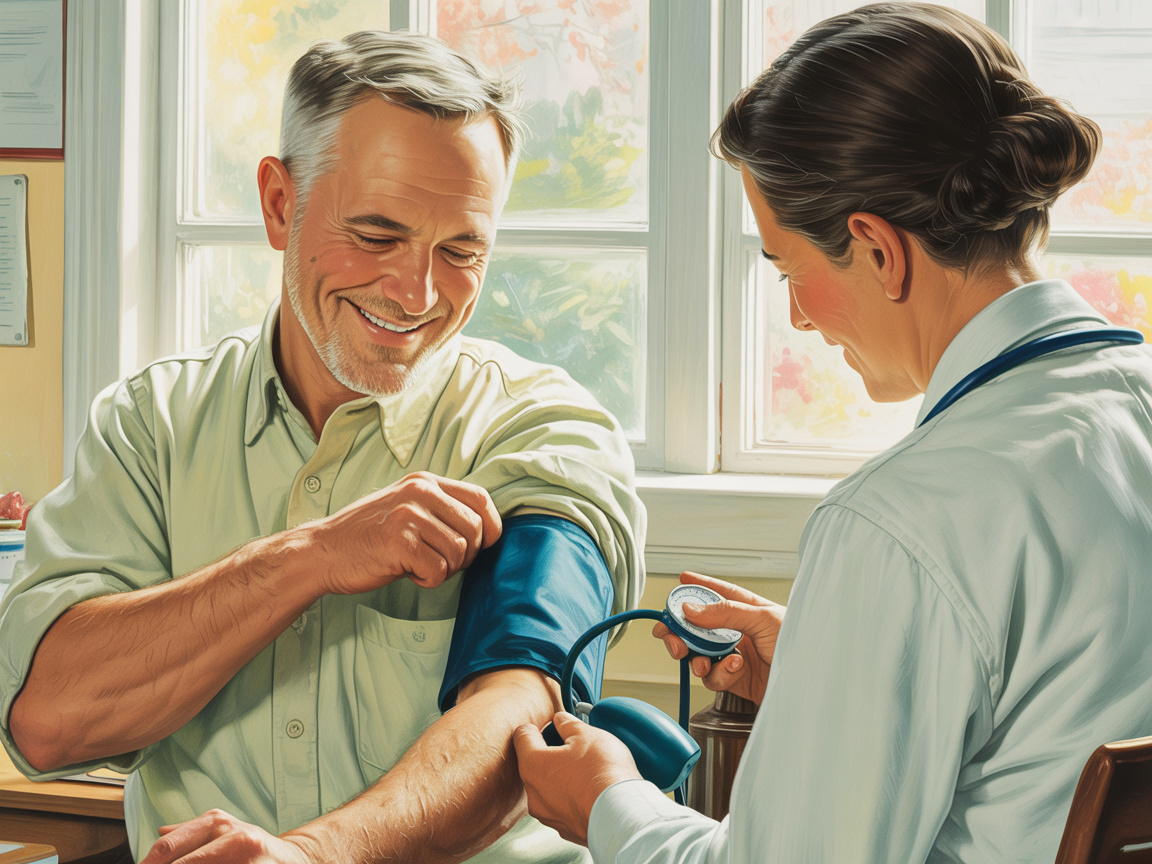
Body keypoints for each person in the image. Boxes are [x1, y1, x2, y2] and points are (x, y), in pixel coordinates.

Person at [513, 4, 1152, 862]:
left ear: (878, 251)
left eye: (788, 268)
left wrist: (608, 804)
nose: (797, 316)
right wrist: (836, 679)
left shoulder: (904, 522)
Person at [0, 30, 645, 864]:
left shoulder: (546, 434)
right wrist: (310, 558)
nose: (416, 294)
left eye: (460, 251)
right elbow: (49, 722)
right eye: (377, 235)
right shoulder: (149, 426)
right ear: (278, 203)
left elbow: (526, 712)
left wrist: (310, 856)